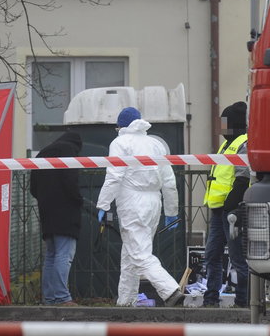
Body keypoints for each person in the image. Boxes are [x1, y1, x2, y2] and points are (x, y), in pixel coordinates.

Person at [96, 107, 184, 307]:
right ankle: (126, 302)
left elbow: (114, 176)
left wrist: (103, 204)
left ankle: (170, 290)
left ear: (121, 126)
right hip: (154, 202)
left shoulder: (120, 143)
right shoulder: (155, 144)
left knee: (139, 254)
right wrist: (171, 212)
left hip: (132, 202)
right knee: (130, 255)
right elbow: (169, 181)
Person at [203, 101, 250, 308]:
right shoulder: (227, 144)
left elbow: (242, 178)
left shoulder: (243, 143)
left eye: (224, 122)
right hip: (218, 209)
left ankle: (243, 302)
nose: (221, 127)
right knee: (212, 255)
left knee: (238, 258)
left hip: (232, 210)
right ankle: (211, 298)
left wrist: (233, 204)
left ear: (233, 123)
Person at [30, 131, 84, 306]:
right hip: (66, 211)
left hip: (47, 211)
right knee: (64, 254)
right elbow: (70, 180)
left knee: (51, 255)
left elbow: (32, 187)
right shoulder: (69, 151)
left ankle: (49, 298)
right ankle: (62, 297)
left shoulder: (43, 153)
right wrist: (78, 199)